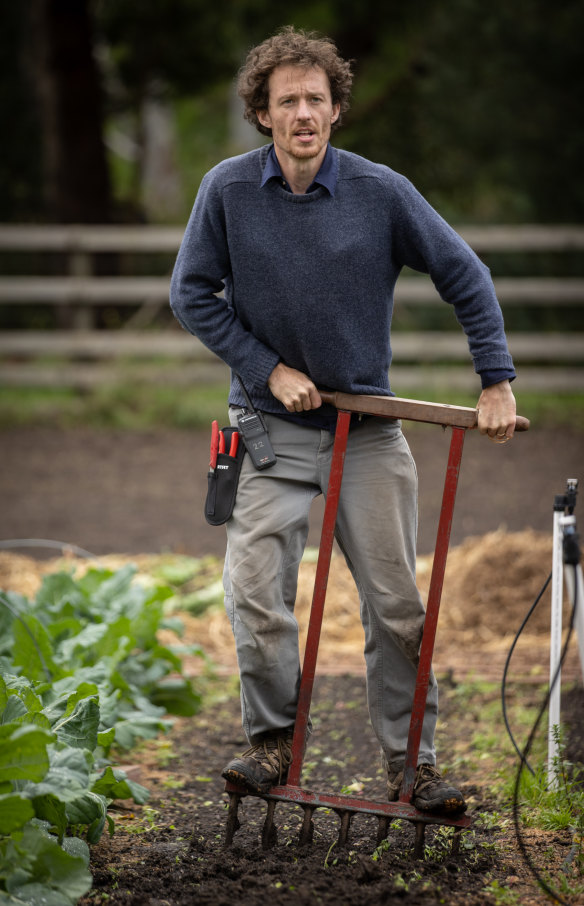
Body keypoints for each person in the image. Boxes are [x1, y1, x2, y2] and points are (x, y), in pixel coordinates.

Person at [170, 26, 517, 815]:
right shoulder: (226, 191)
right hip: (269, 428)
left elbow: (466, 272)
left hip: (368, 432)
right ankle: (269, 744)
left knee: (398, 606)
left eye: (315, 100)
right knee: (254, 590)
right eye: (286, 100)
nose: (302, 113)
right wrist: (269, 369)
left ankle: (413, 766)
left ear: (335, 111)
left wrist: (496, 379)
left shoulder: (381, 192)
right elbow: (190, 294)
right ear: (262, 113)